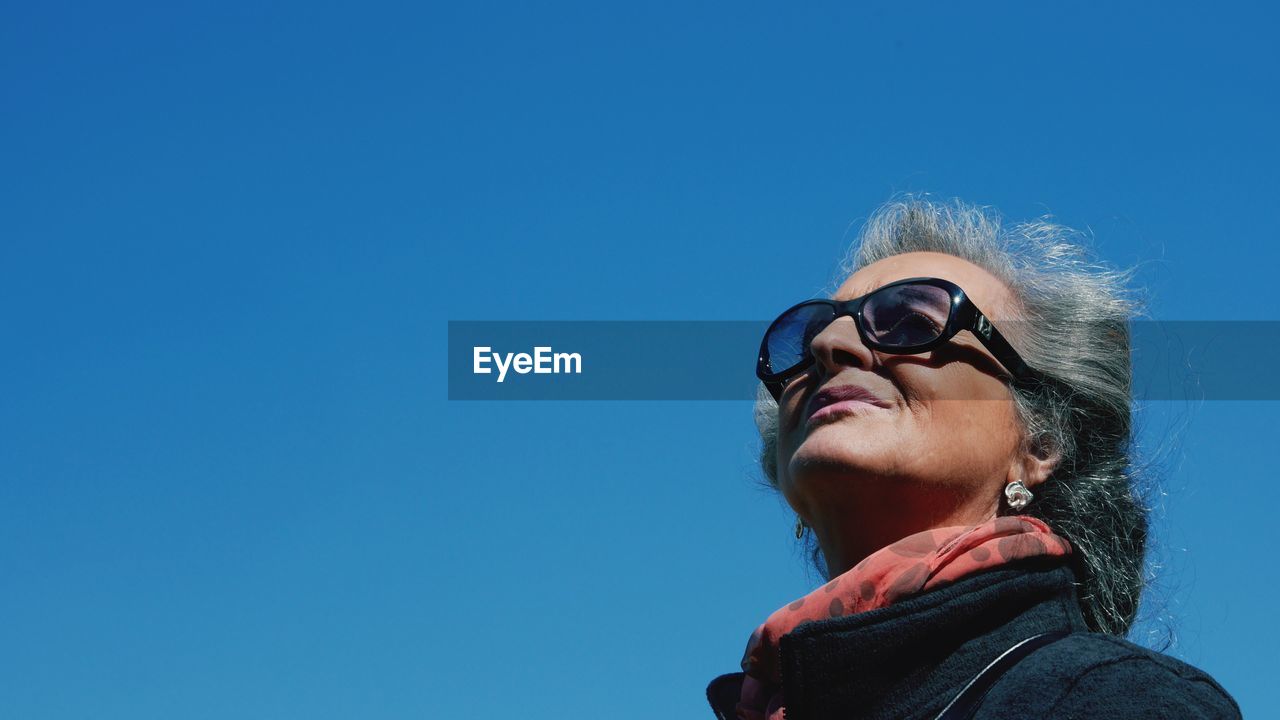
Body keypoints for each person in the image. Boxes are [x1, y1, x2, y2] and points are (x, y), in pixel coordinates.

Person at [706, 197, 1241, 720]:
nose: (830, 343)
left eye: (914, 320)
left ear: (1041, 441)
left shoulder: (1115, 698)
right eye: (807, 337)